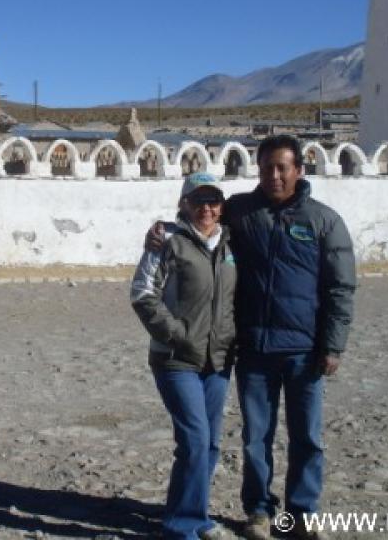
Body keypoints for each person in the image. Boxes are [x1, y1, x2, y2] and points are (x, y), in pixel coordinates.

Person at [146, 135, 356, 540]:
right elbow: (197, 223)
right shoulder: (241, 210)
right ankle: (259, 511)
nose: (274, 175)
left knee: (307, 437)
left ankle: (300, 514)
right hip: (255, 349)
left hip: (304, 349)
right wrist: (160, 231)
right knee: (255, 437)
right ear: (257, 169)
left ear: (299, 170)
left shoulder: (323, 220)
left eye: (282, 167)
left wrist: (333, 345)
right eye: (266, 168)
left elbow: (340, 288)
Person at [131, 172, 237, 540]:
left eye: (214, 201)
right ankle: (183, 527)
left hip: (218, 360)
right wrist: (175, 335)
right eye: (198, 200)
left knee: (208, 443)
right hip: (176, 359)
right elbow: (142, 293)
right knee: (194, 439)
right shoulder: (168, 242)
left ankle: (190, 515)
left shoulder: (230, 242)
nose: (207, 208)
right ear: (184, 204)